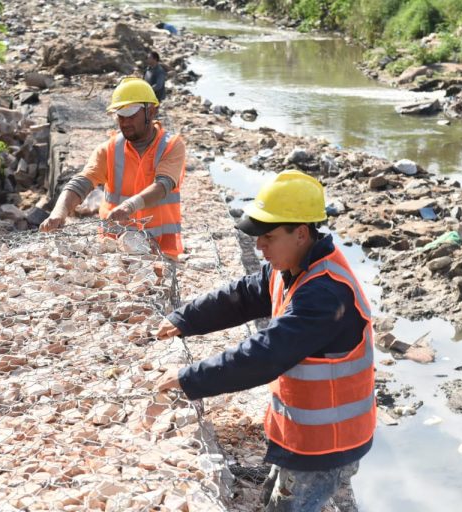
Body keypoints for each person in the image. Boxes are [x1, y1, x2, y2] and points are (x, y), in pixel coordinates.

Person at [154, 170, 375, 511]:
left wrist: (190, 379)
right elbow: (243, 295)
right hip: (303, 434)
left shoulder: (326, 293)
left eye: (267, 237)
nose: (259, 246)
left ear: (301, 233)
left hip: (327, 445)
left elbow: (264, 355)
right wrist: (185, 319)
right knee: (282, 494)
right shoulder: (291, 267)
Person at [39, 77, 186, 258]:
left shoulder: (171, 146)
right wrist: (58, 212)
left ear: (152, 111)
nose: (125, 122)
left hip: (160, 248)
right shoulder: (110, 149)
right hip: (115, 248)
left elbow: (163, 185)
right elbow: (82, 182)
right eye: (121, 116)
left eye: (132, 115)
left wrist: (129, 205)